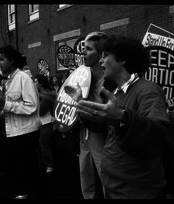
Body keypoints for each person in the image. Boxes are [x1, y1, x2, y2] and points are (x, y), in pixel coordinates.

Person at [75, 35, 173, 199]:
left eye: (105, 55)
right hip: (113, 186)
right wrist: (82, 104)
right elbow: (106, 128)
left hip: (135, 190)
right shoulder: (116, 93)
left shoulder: (148, 90)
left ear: (122, 60)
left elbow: (160, 134)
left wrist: (123, 118)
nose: (101, 61)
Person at [64, 31, 110, 199]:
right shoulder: (84, 75)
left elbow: (105, 116)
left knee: (105, 173)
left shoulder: (108, 81)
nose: (83, 53)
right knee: (84, 171)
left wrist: (81, 101)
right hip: (84, 131)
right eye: (84, 48)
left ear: (101, 54)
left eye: (89, 49)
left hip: (99, 134)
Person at [0, 45, 42, 199]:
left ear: (12, 61)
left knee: (27, 167)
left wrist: (5, 105)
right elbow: (10, 106)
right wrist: (0, 113)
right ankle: (23, 193)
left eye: (2, 60)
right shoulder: (8, 81)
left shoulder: (23, 78)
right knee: (15, 166)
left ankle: (33, 193)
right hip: (13, 132)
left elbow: (31, 106)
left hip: (26, 133)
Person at [33, 74, 57, 174]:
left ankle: (49, 165)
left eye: (36, 82)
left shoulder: (47, 96)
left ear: (41, 83)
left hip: (46, 123)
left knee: (44, 145)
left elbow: (41, 110)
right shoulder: (40, 95)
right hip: (40, 123)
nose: (34, 84)